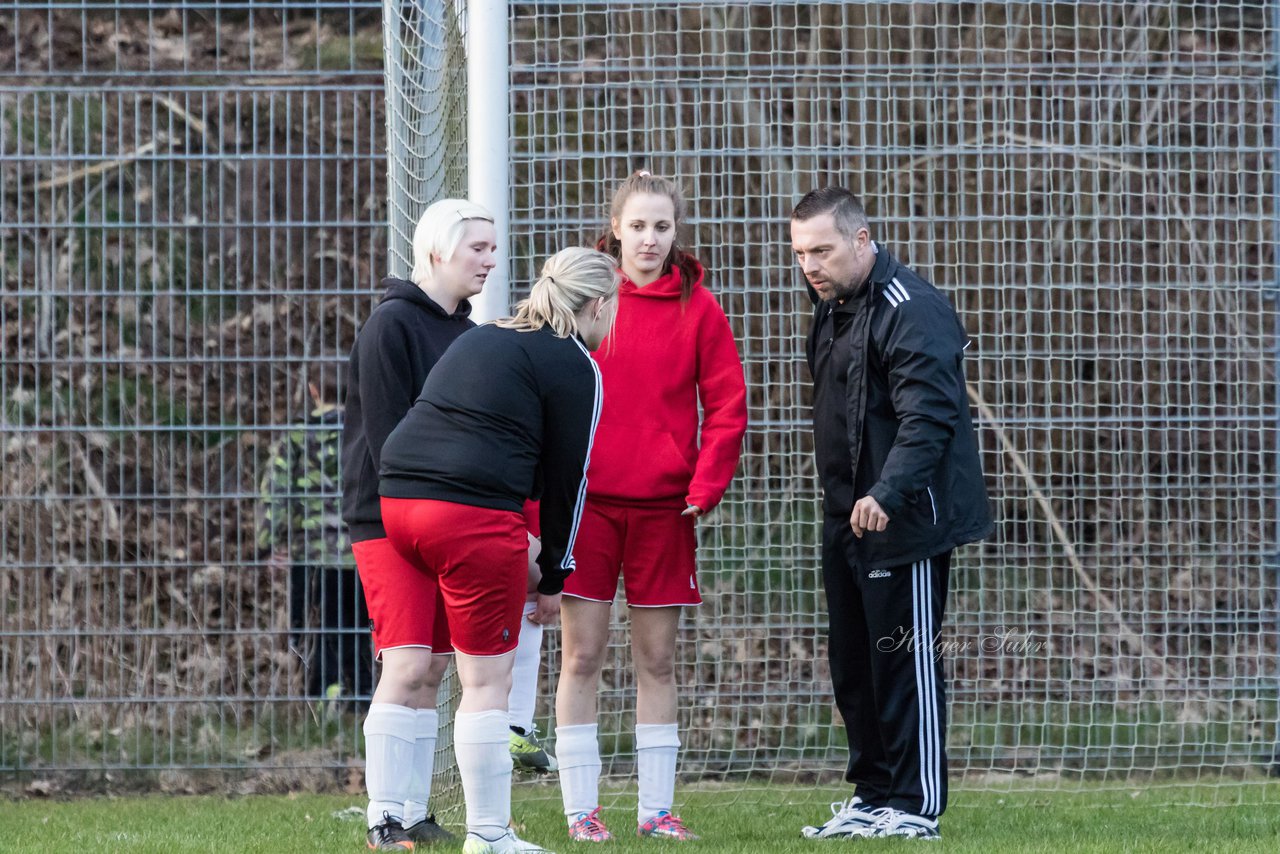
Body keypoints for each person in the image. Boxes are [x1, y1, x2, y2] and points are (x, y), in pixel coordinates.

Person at [378, 247, 620, 854]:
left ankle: (387, 820)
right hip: (467, 516)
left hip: (398, 506)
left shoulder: (486, 336)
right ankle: (488, 835)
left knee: (415, 663)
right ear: (596, 305)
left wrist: (529, 545)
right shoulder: (576, 364)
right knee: (487, 682)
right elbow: (571, 481)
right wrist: (556, 573)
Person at [789, 188, 993, 841]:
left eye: (821, 249)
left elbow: (929, 418)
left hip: (904, 517)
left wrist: (888, 493)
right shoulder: (832, 308)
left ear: (862, 240)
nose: (809, 265)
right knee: (854, 660)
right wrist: (848, 499)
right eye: (799, 253)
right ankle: (873, 793)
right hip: (845, 514)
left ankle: (915, 802)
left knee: (902, 658)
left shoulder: (914, 309)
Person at [553, 171, 748, 842]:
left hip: (667, 510)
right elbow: (541, 393)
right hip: (588, 507)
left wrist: (706, 484)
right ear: (615, 231)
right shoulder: (585, 297)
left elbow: (727, 406)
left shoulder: (701, 307)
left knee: (657, 661)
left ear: (676, 232)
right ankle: (582, 812)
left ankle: (656, 811)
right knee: (581, 657)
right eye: (637, 226)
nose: (649, 239)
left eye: (662, 226)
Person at [341, 198, 496, 850]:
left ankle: (412, 809)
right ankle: (381, 818)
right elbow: (389, 440)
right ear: (437, 250)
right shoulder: (391, 326)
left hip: (445, 522)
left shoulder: (470, 334)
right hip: (389, 518)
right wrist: (427, 511)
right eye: (477, 248)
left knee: (433, 665)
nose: (490, 260)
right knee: (404, 664)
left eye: (493, 247)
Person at [260, 381, 372, 709]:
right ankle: (361, 695)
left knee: (312, 625)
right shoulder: (366, 431)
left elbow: (276, 492)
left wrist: (271, 543)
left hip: (311, 554)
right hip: (361, 552)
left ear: (313, 390)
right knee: (357, 628)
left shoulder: (297, 435)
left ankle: (322, 694)